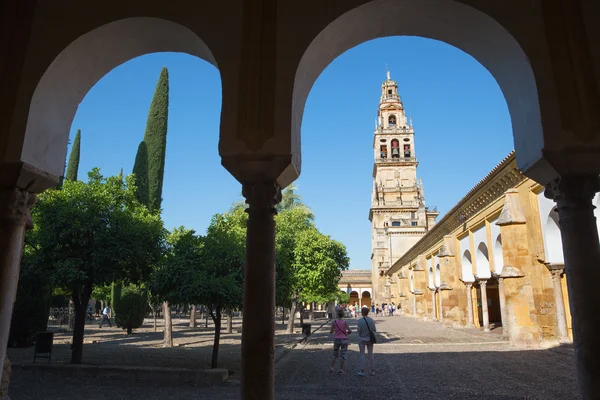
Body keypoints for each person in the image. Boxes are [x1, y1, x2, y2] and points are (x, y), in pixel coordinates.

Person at [329, 309, 352, 374]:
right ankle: (341, 369)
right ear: (343, 315)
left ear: (337, 314)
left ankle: (332, 368)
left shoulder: (334, 322)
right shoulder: (345, 322)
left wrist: (334, 331)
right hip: (344, 339)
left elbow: (331, 331)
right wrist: (347, 333)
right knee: (343, 355)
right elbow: (349, 331)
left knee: (335, 354)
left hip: (337, 339)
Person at [356, 307, 376, 376]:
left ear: (362, 313)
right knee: (370, 354)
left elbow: (358, 331)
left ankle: (362, 371)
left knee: (362, 354)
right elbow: (374, 330)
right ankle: (372, 370)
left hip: (362, 339)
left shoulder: (359, 321)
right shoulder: (371, 320)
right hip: (370, 339)